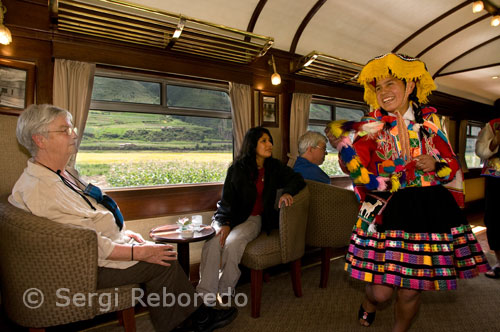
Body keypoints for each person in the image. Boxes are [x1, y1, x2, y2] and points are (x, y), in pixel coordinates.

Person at [9, 104, 237, 332]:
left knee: (160, 253)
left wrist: (122, 234)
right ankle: (190, 322)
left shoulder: (63, 173)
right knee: (164, 260)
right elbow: (81, 241)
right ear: (40, 140)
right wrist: (137, 252)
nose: (74, 134)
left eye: (72, 128)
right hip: (84, 267)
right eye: (65, 130)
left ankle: (192, 315)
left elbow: (88, 216)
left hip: (100, 248)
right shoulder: (40, 189)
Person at [325, 53, 489, 332]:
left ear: (410, 85)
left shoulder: (431, 123)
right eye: (378, 87)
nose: (384, 92)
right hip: (385, 209)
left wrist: (435, 164)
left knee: (411, 289)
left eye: (391, 84)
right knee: (380, 292)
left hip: (427, 210)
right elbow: (356, 168)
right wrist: (343, 146)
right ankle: (370, 303)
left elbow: (452, 167)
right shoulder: (371, 124)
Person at [196, 126, 306, 305]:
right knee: (212, 242)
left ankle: (225, 292)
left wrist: (288, 192)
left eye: (270, 140)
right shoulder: (237, 169)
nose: (269, 144)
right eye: (264, 141)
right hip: (229, 216)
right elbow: (226, 200)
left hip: (254, 219)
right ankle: (205, 297)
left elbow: (297, 179)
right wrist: (224, 223)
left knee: (233, 244)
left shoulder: (274, 167)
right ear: (252, 144)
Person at [475, 117, 500, 278]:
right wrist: (495, 141)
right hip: (495, 179)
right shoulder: (493, 125)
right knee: (494, 219)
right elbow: (481, 151)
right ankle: (499, 262)